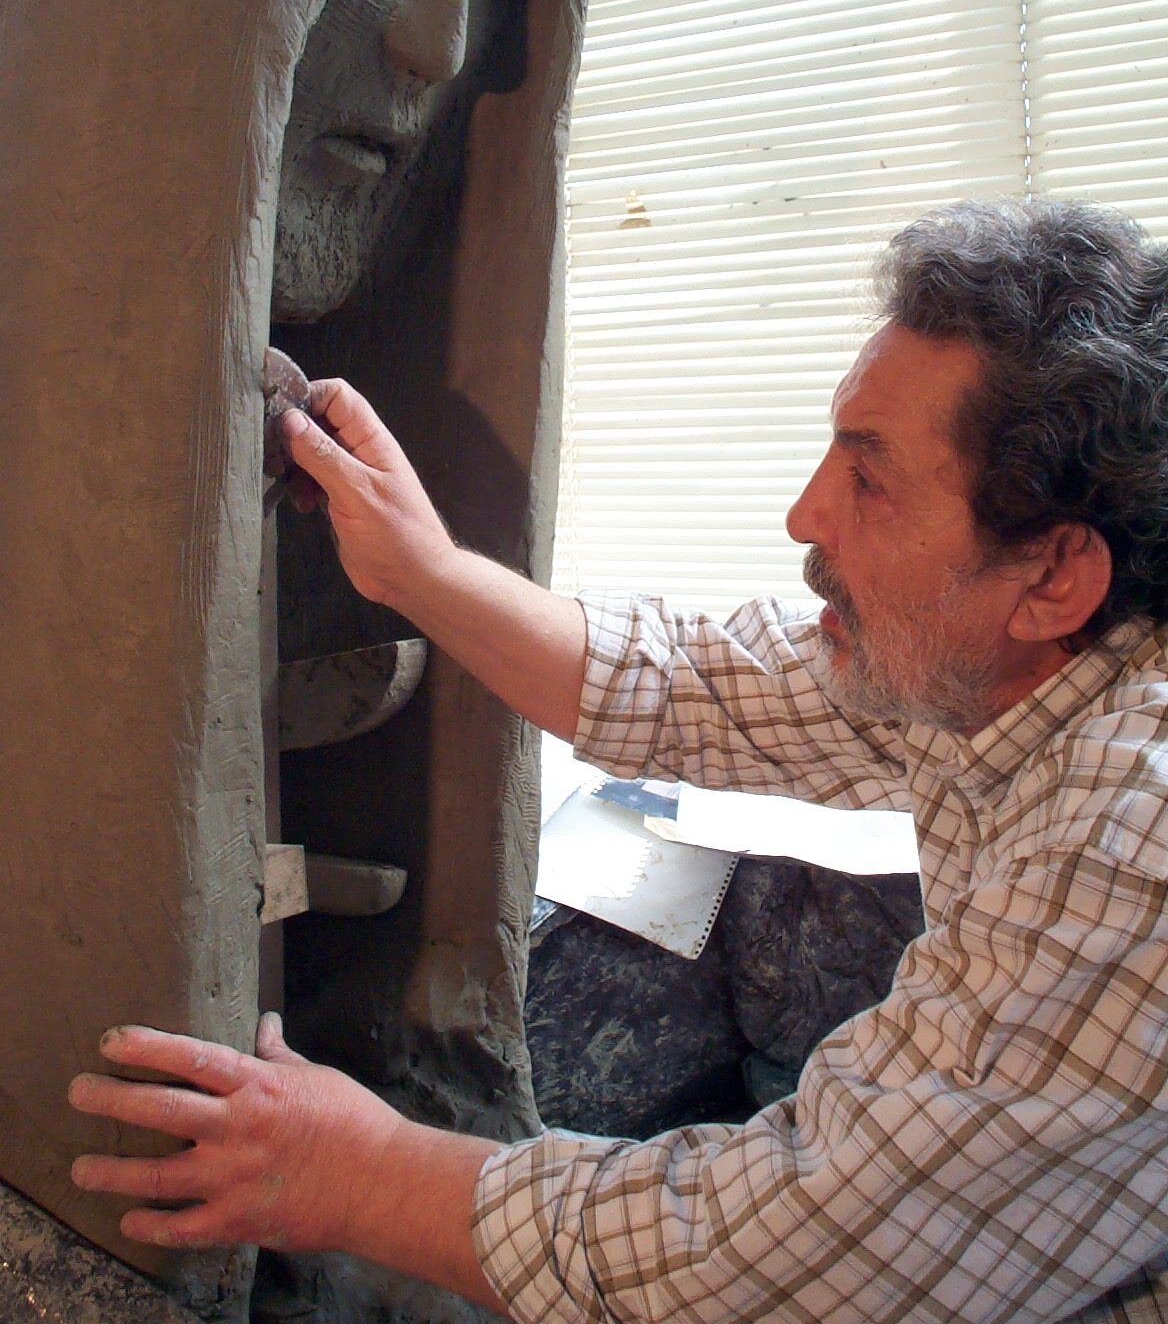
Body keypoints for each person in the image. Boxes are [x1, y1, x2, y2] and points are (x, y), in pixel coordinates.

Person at [70, 199, 1168, 1323]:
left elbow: (784, 1258)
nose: (804, 516)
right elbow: (697, 685)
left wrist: (355, 1173)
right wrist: (418, 569)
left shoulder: (1134, 837)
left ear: (1053, 577)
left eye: (870, 481)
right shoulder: (999, 662)